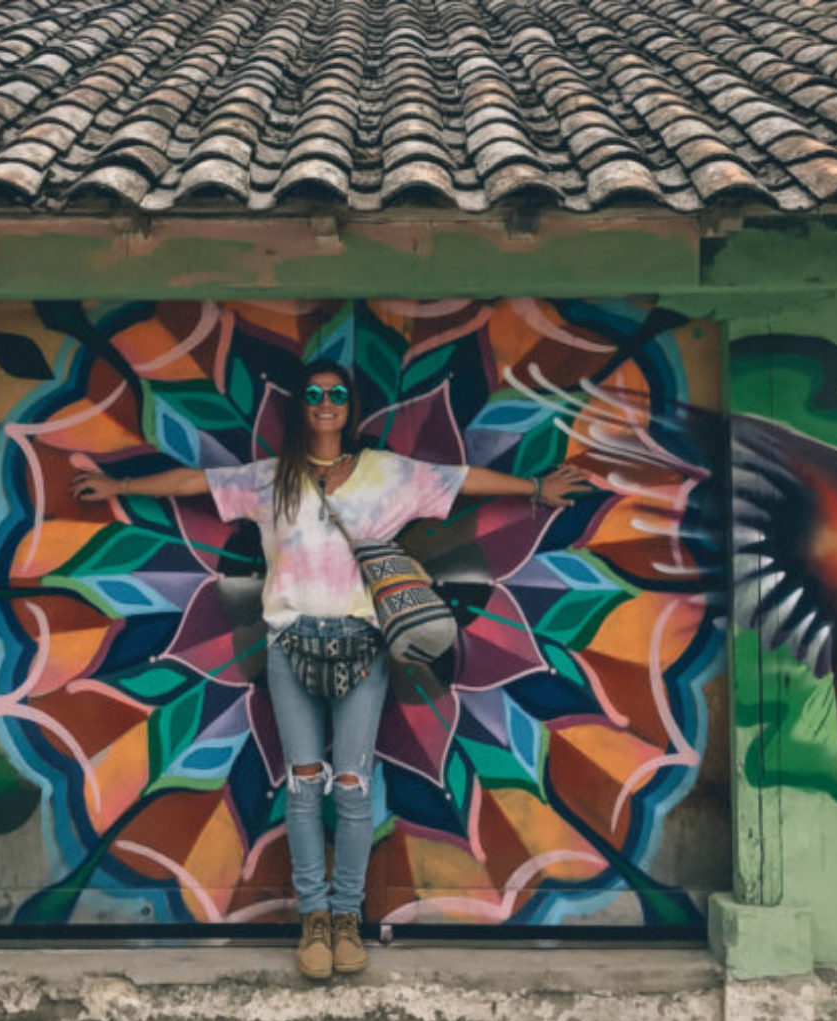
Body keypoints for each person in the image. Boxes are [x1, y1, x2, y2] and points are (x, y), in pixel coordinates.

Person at [71, 360, 587, 979]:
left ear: (350, 404)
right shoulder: (272, 480)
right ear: (302, 406)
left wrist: (533, 490)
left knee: (353, 785)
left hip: (363, 646)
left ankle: (347, 917)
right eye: (313, 393)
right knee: (303, 786)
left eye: (336, 393)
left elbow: (460, 479)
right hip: (291, 647)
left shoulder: (388, 475)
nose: (325, 402)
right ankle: (313, 917)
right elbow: (195, 481)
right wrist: (119, 489)